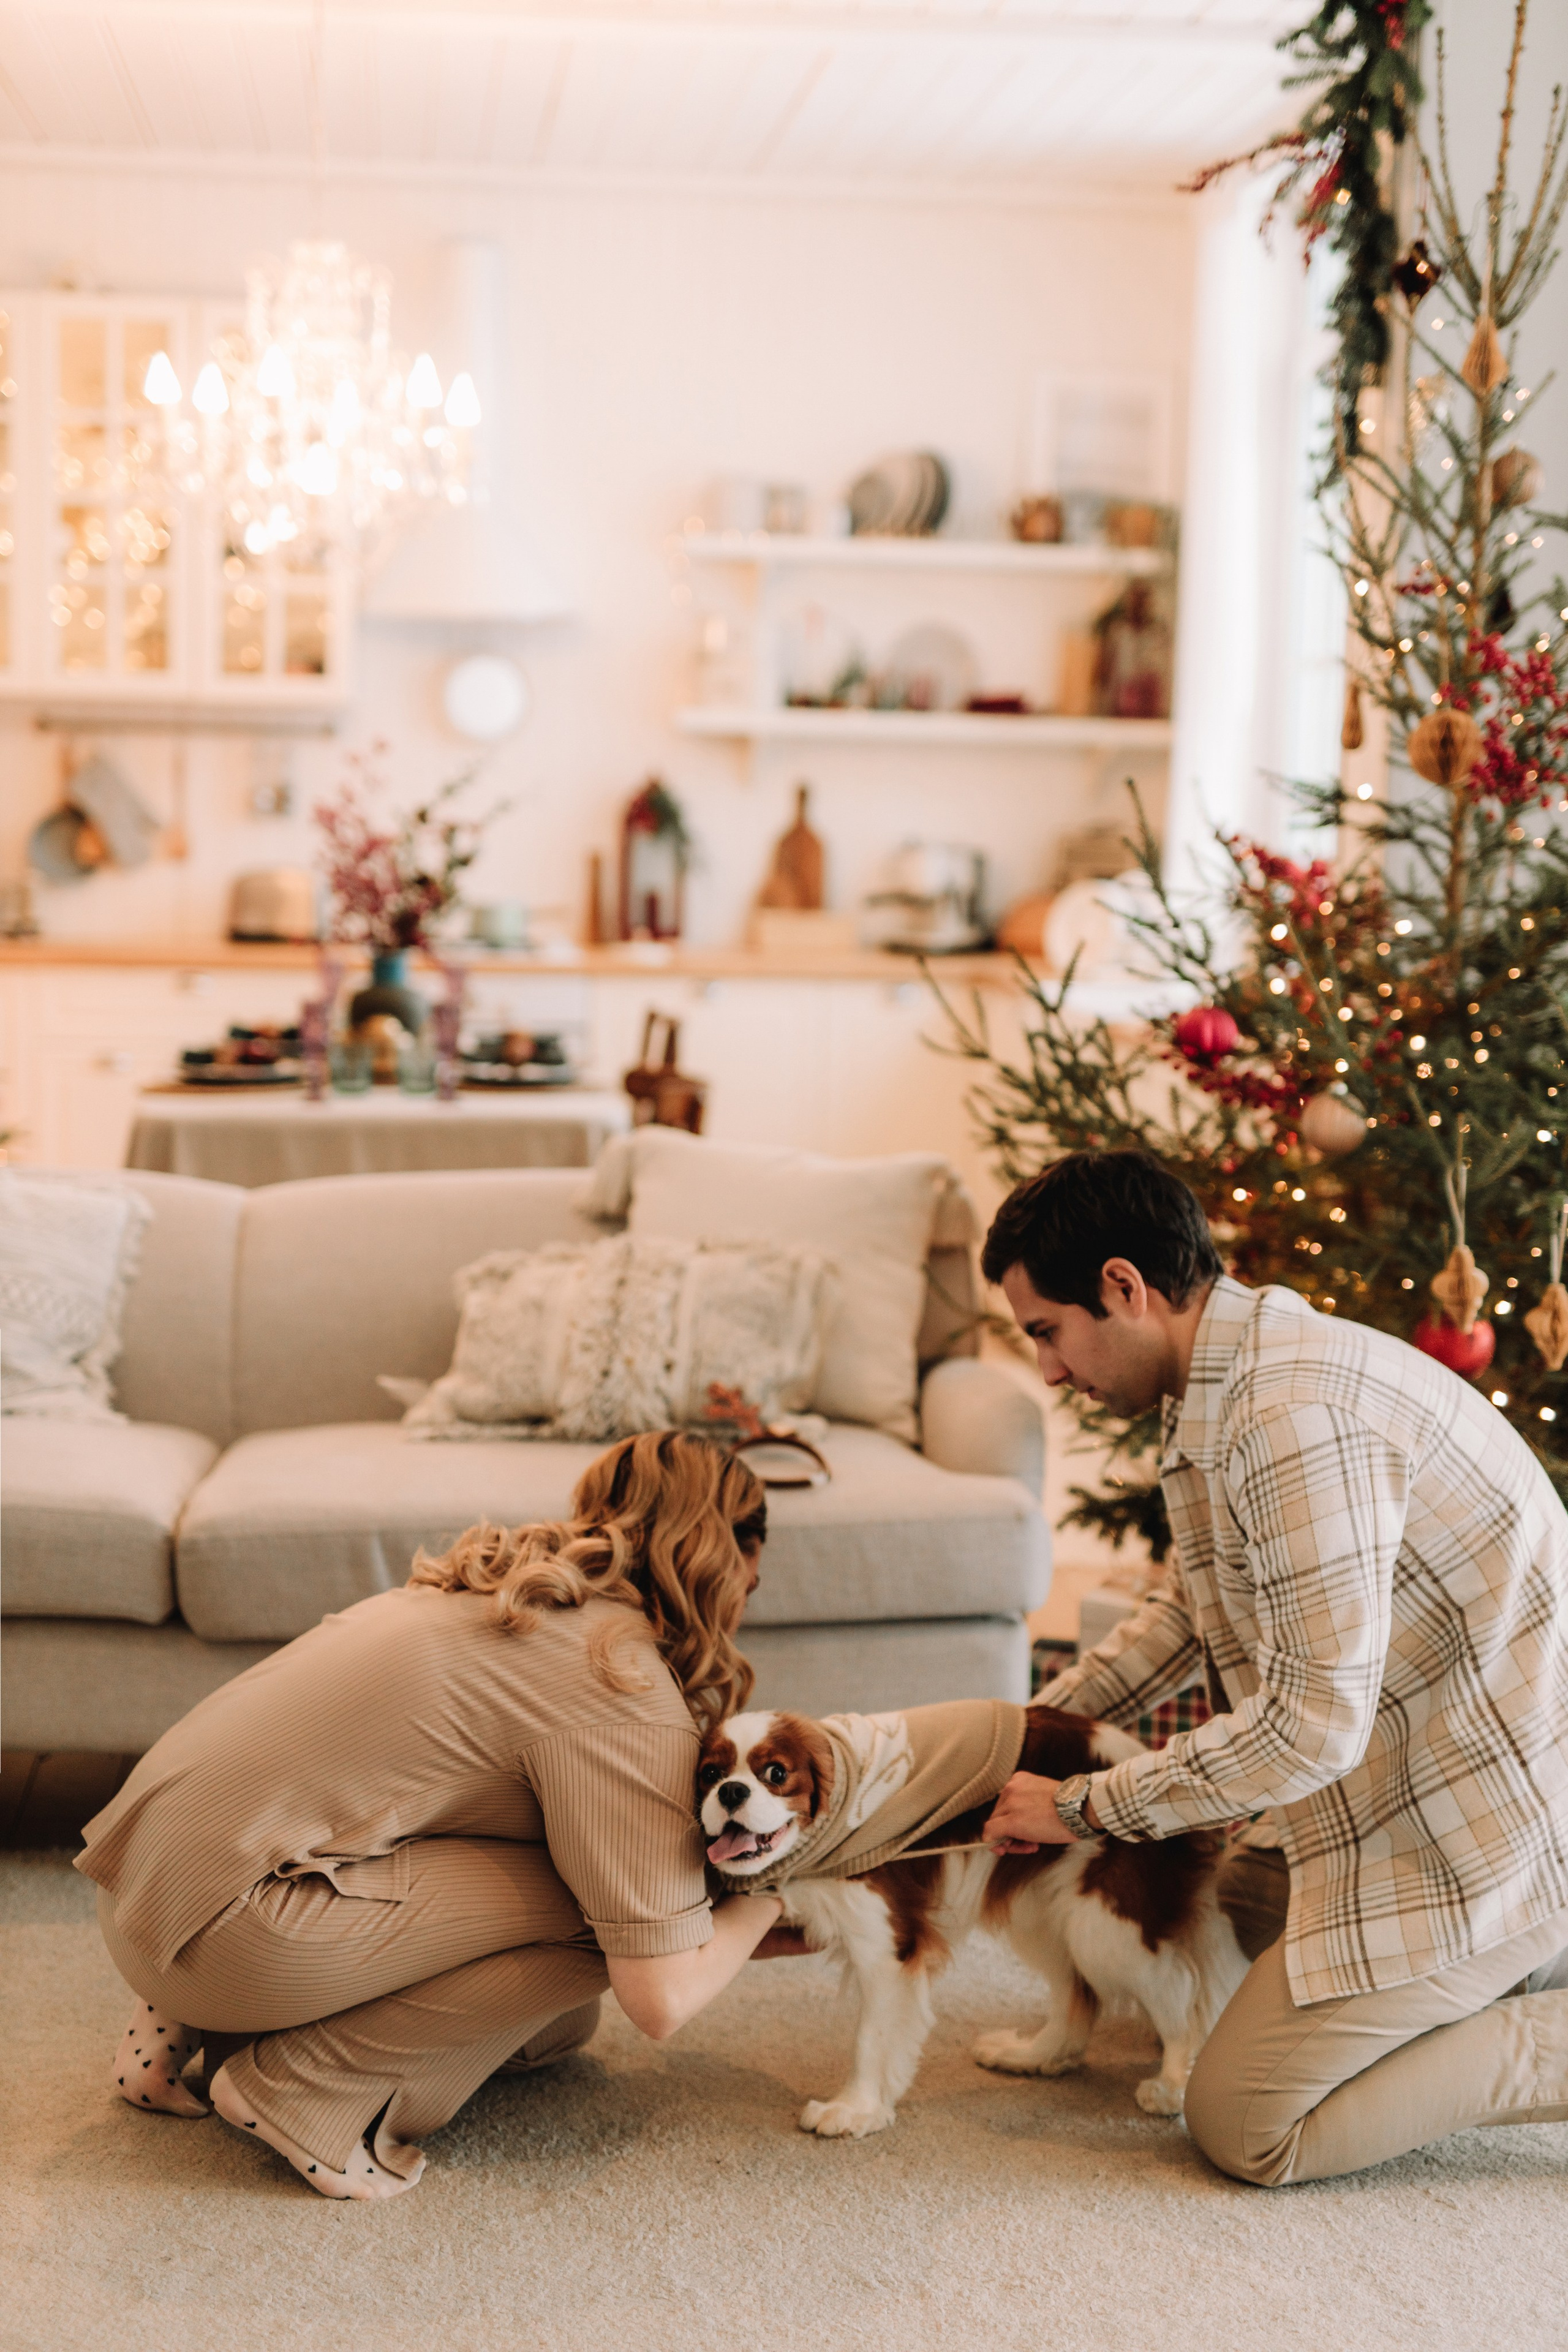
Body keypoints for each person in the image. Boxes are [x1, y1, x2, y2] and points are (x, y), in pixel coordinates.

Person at [978, 1148, 1568, 2186]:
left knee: (1247, 2120)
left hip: (1476, 1830)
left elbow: (1309, 1728)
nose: (1052, 1372)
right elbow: (1183, 1608)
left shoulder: (1290, 1417)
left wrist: (1084, 1805)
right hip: (1375, 1794)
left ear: (1123, 1286)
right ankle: (1511, 1964)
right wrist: (1020, 1735)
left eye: (1046, 1333)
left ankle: (1537, 1997)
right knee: (1206, 1919)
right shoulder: (1222, 1380)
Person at [77, 1429, 784, 2201]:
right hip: (223, 1943)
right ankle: (300, 2086)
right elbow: (662, 1999)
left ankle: (187, 2028)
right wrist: (765, 1904)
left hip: (136, 1901)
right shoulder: (618, 1681)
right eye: (755, 1568)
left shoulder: (491, 1584)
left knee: (559, 2028)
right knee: (621, 1913)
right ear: (728, 1554)